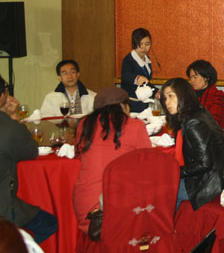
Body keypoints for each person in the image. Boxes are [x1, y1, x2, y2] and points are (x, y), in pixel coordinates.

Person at [72, 86, 151, 233]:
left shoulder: (84, 124)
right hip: (114, 210)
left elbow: (78, 155)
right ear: (123, 106)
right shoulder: (135, 126)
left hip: (86, 207)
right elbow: (148, 165)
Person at [0, 75, 58, 244]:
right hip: (3, 206)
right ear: (2, 96)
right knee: (49, 223)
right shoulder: (9, 128)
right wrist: (13, 117)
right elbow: (31, 151)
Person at [160, 78, 224, 211]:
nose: (167, 102)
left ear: (183, 94)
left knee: (162, 191)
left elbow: (204, 163)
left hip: (204, 183)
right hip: (207, 175)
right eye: (165, 98)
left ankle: (167, 223)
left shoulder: (193, 123)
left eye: (171, 96)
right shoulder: (196, 112)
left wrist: (175, 172)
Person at [121, 28, 158, 113]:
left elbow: (146, 82)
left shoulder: (147, 59)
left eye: (147, 44)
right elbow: (125, 75)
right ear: (134, 44)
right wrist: (137, 78)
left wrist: (156, 91)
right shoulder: (128, 59)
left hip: (144, 104)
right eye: (140, 44)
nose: (144, 47)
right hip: (131, 105)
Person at [186, 60, 224, 125]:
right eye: (191, 78)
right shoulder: (189, 93)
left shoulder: (216, 95)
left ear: (206, 77)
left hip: (206, 129)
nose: (192, 81)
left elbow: (214, 121)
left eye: (195, 77)